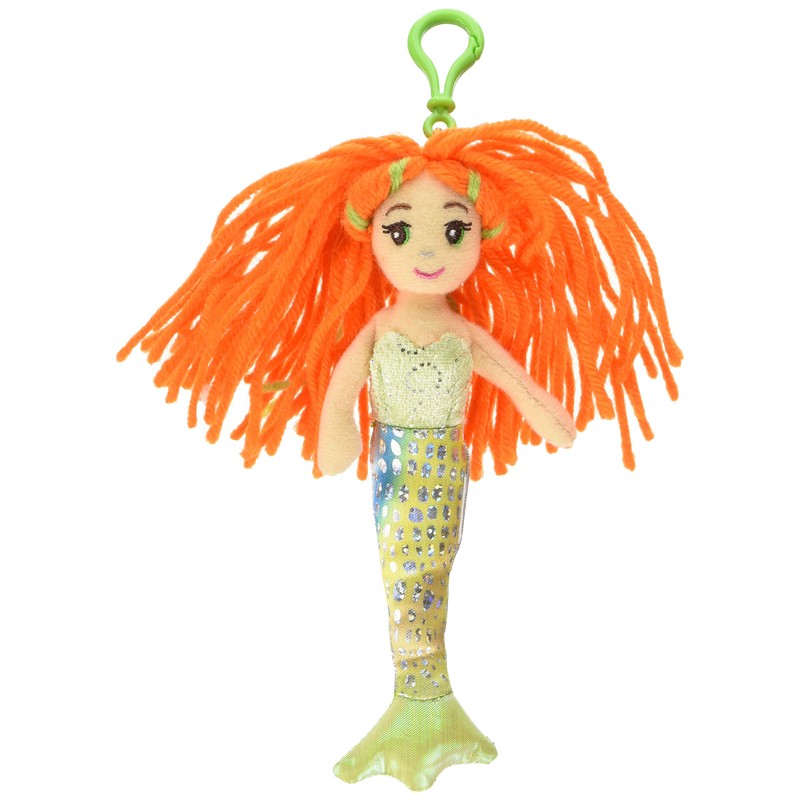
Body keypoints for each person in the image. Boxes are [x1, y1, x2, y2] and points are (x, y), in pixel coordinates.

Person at [118, 119, 681, 789]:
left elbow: (518, 383)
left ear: (479, 235)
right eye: (401, 230)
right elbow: (340, 390)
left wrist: (544, 412)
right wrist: (336, 430)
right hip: (393, 470)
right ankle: (417, 698)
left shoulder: (461, 334)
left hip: (443, 468)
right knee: (402, 575)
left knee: (432, 572)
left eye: (454, 230)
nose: (428, 250)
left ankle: (428, 701)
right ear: (372, 236)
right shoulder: (380, 328)